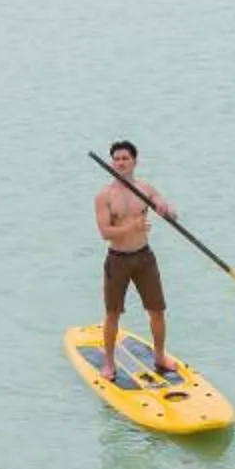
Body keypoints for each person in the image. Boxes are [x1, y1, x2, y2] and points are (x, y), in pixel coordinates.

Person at [94, 140, 176, 384]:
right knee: (112, 313)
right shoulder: (105, 196)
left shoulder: (145, 189)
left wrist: (166, 209)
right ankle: (109, 363)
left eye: (125, 158)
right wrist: (133, 226)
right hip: (117, 259)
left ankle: (159, 356)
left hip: (144, 257)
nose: (120, 163)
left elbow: (169, 211)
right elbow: (105, 232)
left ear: (134, 161)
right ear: (112, 163)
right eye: (116, 159)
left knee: (157, 311)